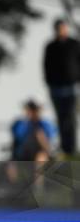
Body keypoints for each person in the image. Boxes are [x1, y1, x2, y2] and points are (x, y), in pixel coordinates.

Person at [43, 19, 80, 156]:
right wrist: (49, 82)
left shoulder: (74, 44)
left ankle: (72, 148)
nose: (61, 30)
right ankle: (64, 147)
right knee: (60, 118)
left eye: (63, 28)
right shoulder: (50, 46)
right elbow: (46, 66)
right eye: (58, 28)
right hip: (56, 88)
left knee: (71, 117)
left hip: (72, 87)